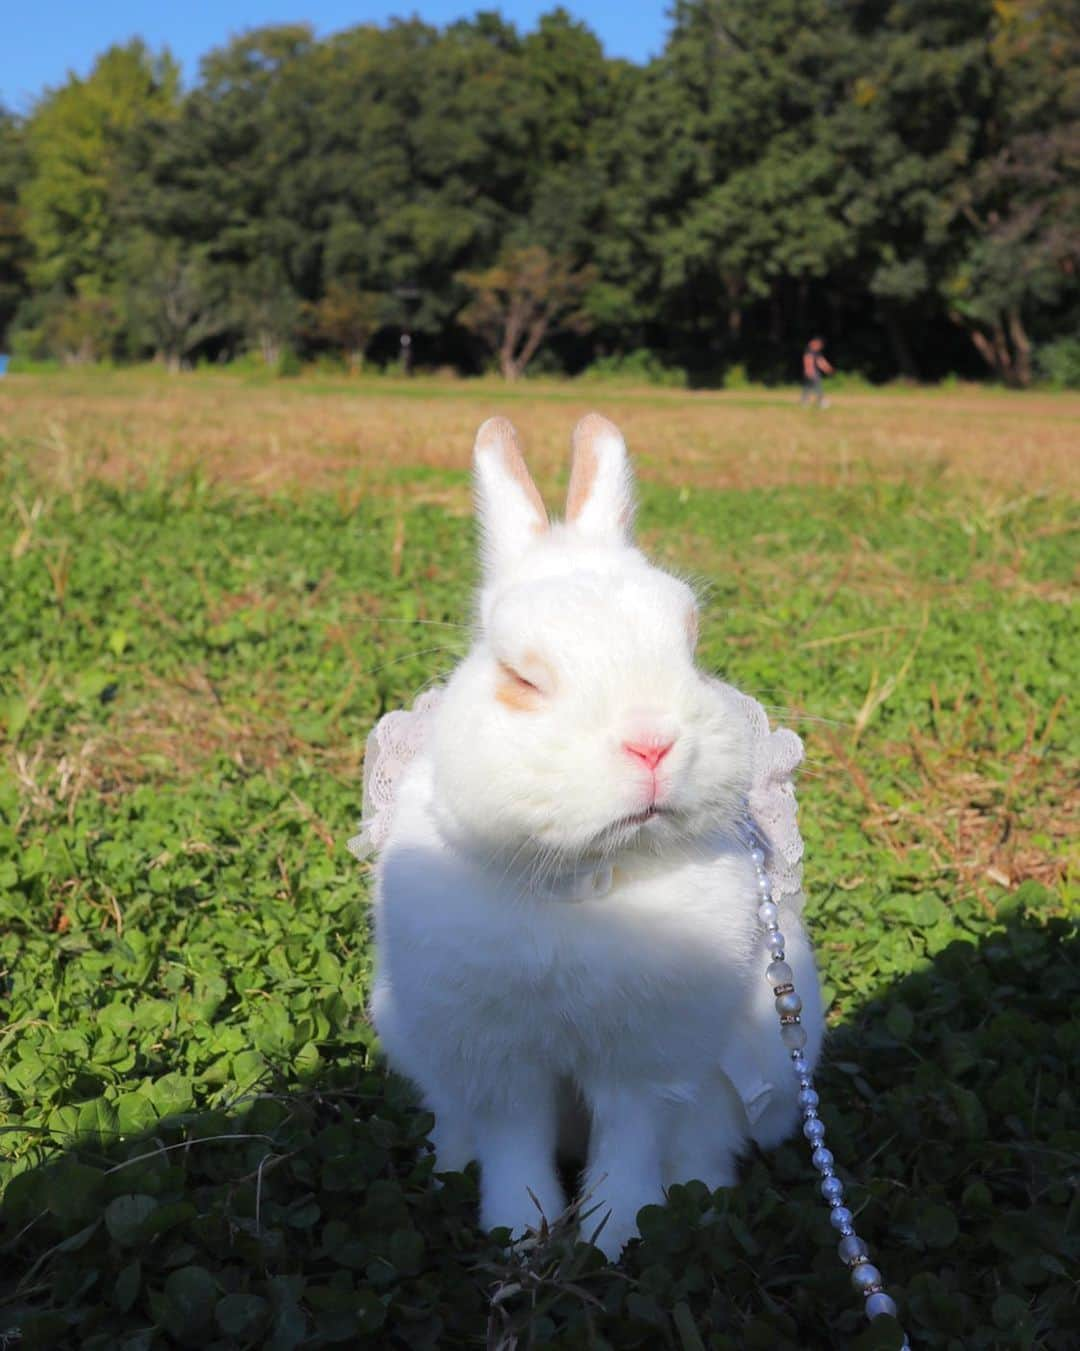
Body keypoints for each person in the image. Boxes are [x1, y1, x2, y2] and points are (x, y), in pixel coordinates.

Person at [800, 337, 834, 407]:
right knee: (817, 387)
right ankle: (821, 401)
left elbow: (821, 362)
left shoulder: (816, 353)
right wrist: (809, 370)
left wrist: (828, 368)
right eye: (819, 345)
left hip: (812, 372)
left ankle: (804, 401)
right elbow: (808, 361)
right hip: (812, 372)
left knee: (807, 387)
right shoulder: (809, 352)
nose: (820, 347)